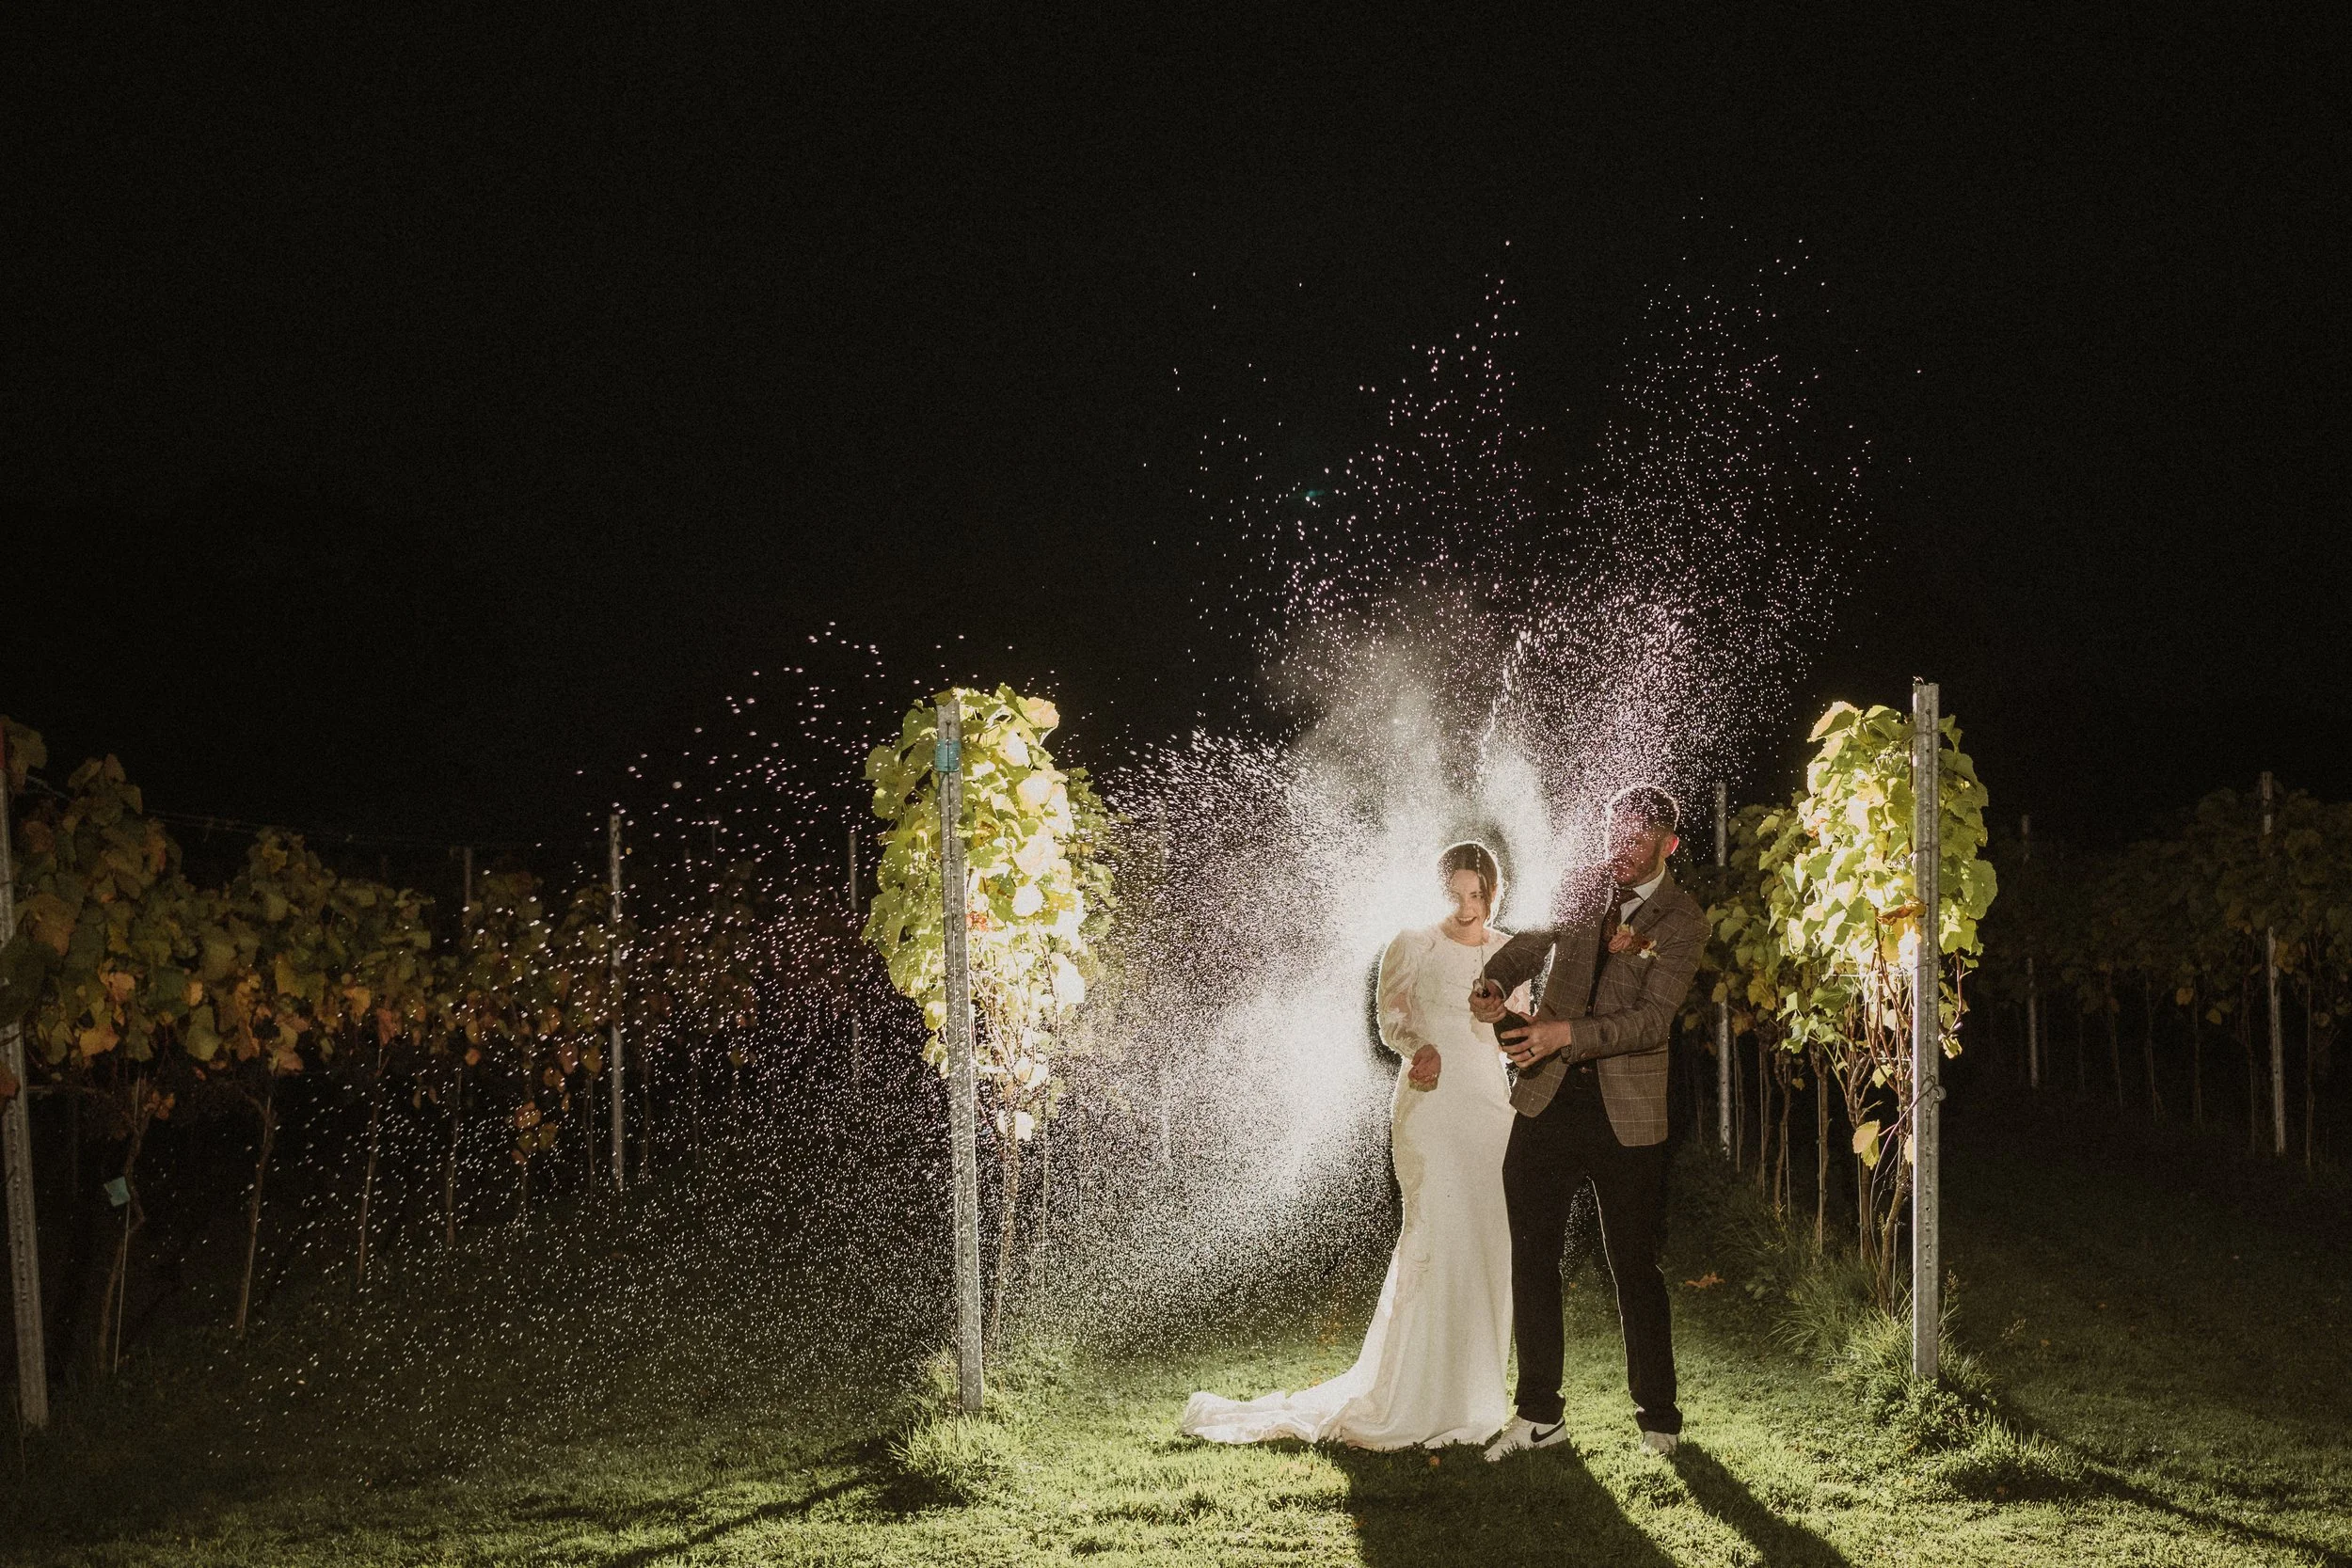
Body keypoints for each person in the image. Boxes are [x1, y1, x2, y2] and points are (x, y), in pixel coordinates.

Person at [1180, 842, 1518, 1449]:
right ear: (1440, 889)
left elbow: (1513, 1028)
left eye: (1479, 894)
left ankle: (1475, 1397)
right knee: (1437, 1235)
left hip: (1490, 1109)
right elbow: (1393, 1018)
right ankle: (1410, 1395)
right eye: (1458, 893)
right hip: (1432, 1104)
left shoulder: (1505, 950)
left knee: (1486, 1237)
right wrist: (1421, 1047)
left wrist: (1501, 1018)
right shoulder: (1411, 943)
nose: (1468, 908)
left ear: (1493, 892)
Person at [1473, 785, 1706, 1462]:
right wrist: (1493, 981)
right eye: (1615, 833)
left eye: (1638, 839)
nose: (1621, 850)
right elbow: (1526, 946)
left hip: (1627, 1118)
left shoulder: (1684, 919)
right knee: (1531, 1256)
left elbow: (1651, 1021)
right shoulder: (1580, 886)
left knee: (1632, 1264)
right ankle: (1539, 1414)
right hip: (1546, 1104)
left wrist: (1562, 1033)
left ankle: (1658, 1417)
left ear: (1669, 844)